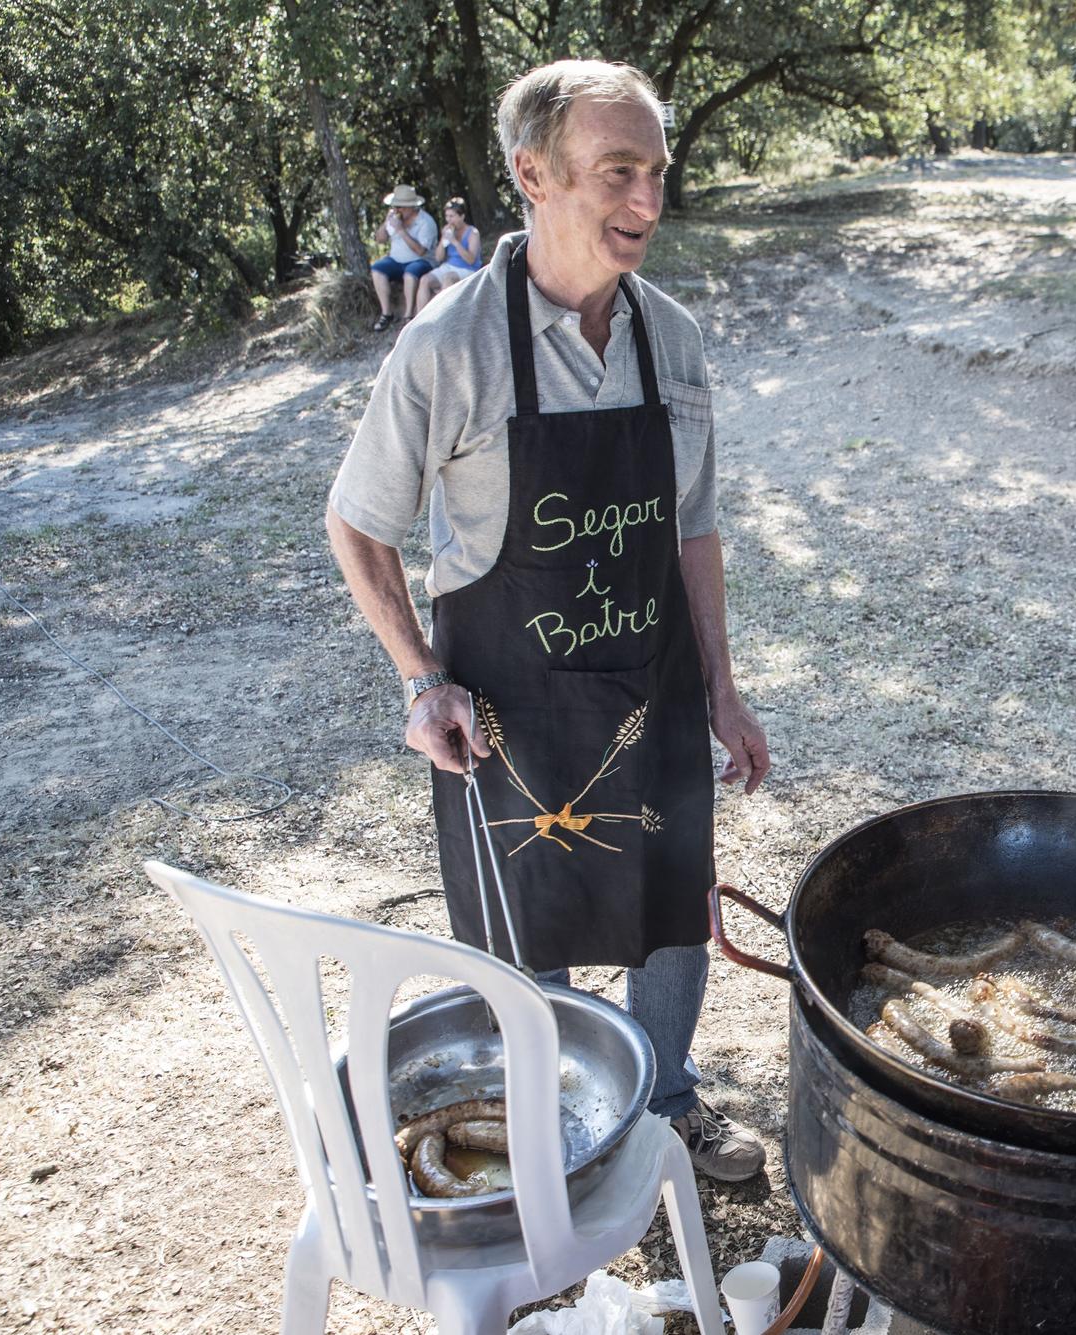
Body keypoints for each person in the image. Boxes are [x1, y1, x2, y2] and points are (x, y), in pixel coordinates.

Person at [326, 59, 773, 1182]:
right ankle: (564, 1132)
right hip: (506, 708)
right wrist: (420, 679)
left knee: (670, 913)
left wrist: (722, 688)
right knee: (532, 935)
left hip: (653, 689)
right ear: (532, 174)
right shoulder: (447, 346)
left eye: (658, 173)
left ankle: (665, 1104)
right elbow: (358, 525)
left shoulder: (672, 340)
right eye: (617, 172)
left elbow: (694, 528)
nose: (646, 202)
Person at [369, 185, 439, 331]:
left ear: (411, 207)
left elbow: (420, 251)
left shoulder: (426, 222)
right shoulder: (394, 218)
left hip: (421, 260)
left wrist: (401, 230)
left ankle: (409, 316)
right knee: (377, 269)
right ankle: (386, 313)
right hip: (396, 260)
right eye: (395, 207)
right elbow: (380, 239)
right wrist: (385, 223)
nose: (397, 210)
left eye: (400, 207)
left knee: (410, 273)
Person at [415, 196, 483, 314]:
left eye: (452, 216)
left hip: (468, 269)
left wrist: (455, 242)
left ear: (462, 216)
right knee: (424, 279)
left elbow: (471, 260)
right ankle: (419, 319)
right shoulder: (448, 231)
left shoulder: (473, 233)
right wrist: (443, 240)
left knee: (448, 278)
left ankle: (440, 316)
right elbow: (438, 258)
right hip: (449, 265)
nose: (449, 220)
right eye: (447, 216)